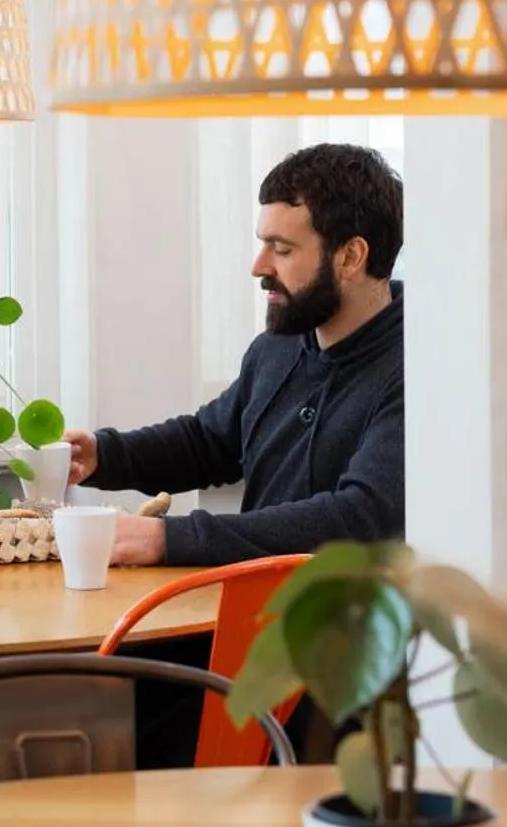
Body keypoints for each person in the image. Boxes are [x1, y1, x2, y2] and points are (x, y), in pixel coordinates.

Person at [66, 142, 406, 566]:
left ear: (350, 256)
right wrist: (103, 455)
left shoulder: (416, 369)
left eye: (281, 249)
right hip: (248, 612)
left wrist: (166, 538)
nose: (258, 266)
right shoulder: (277, 347)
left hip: (339, 629)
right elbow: (210, 442)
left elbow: (359, 518)